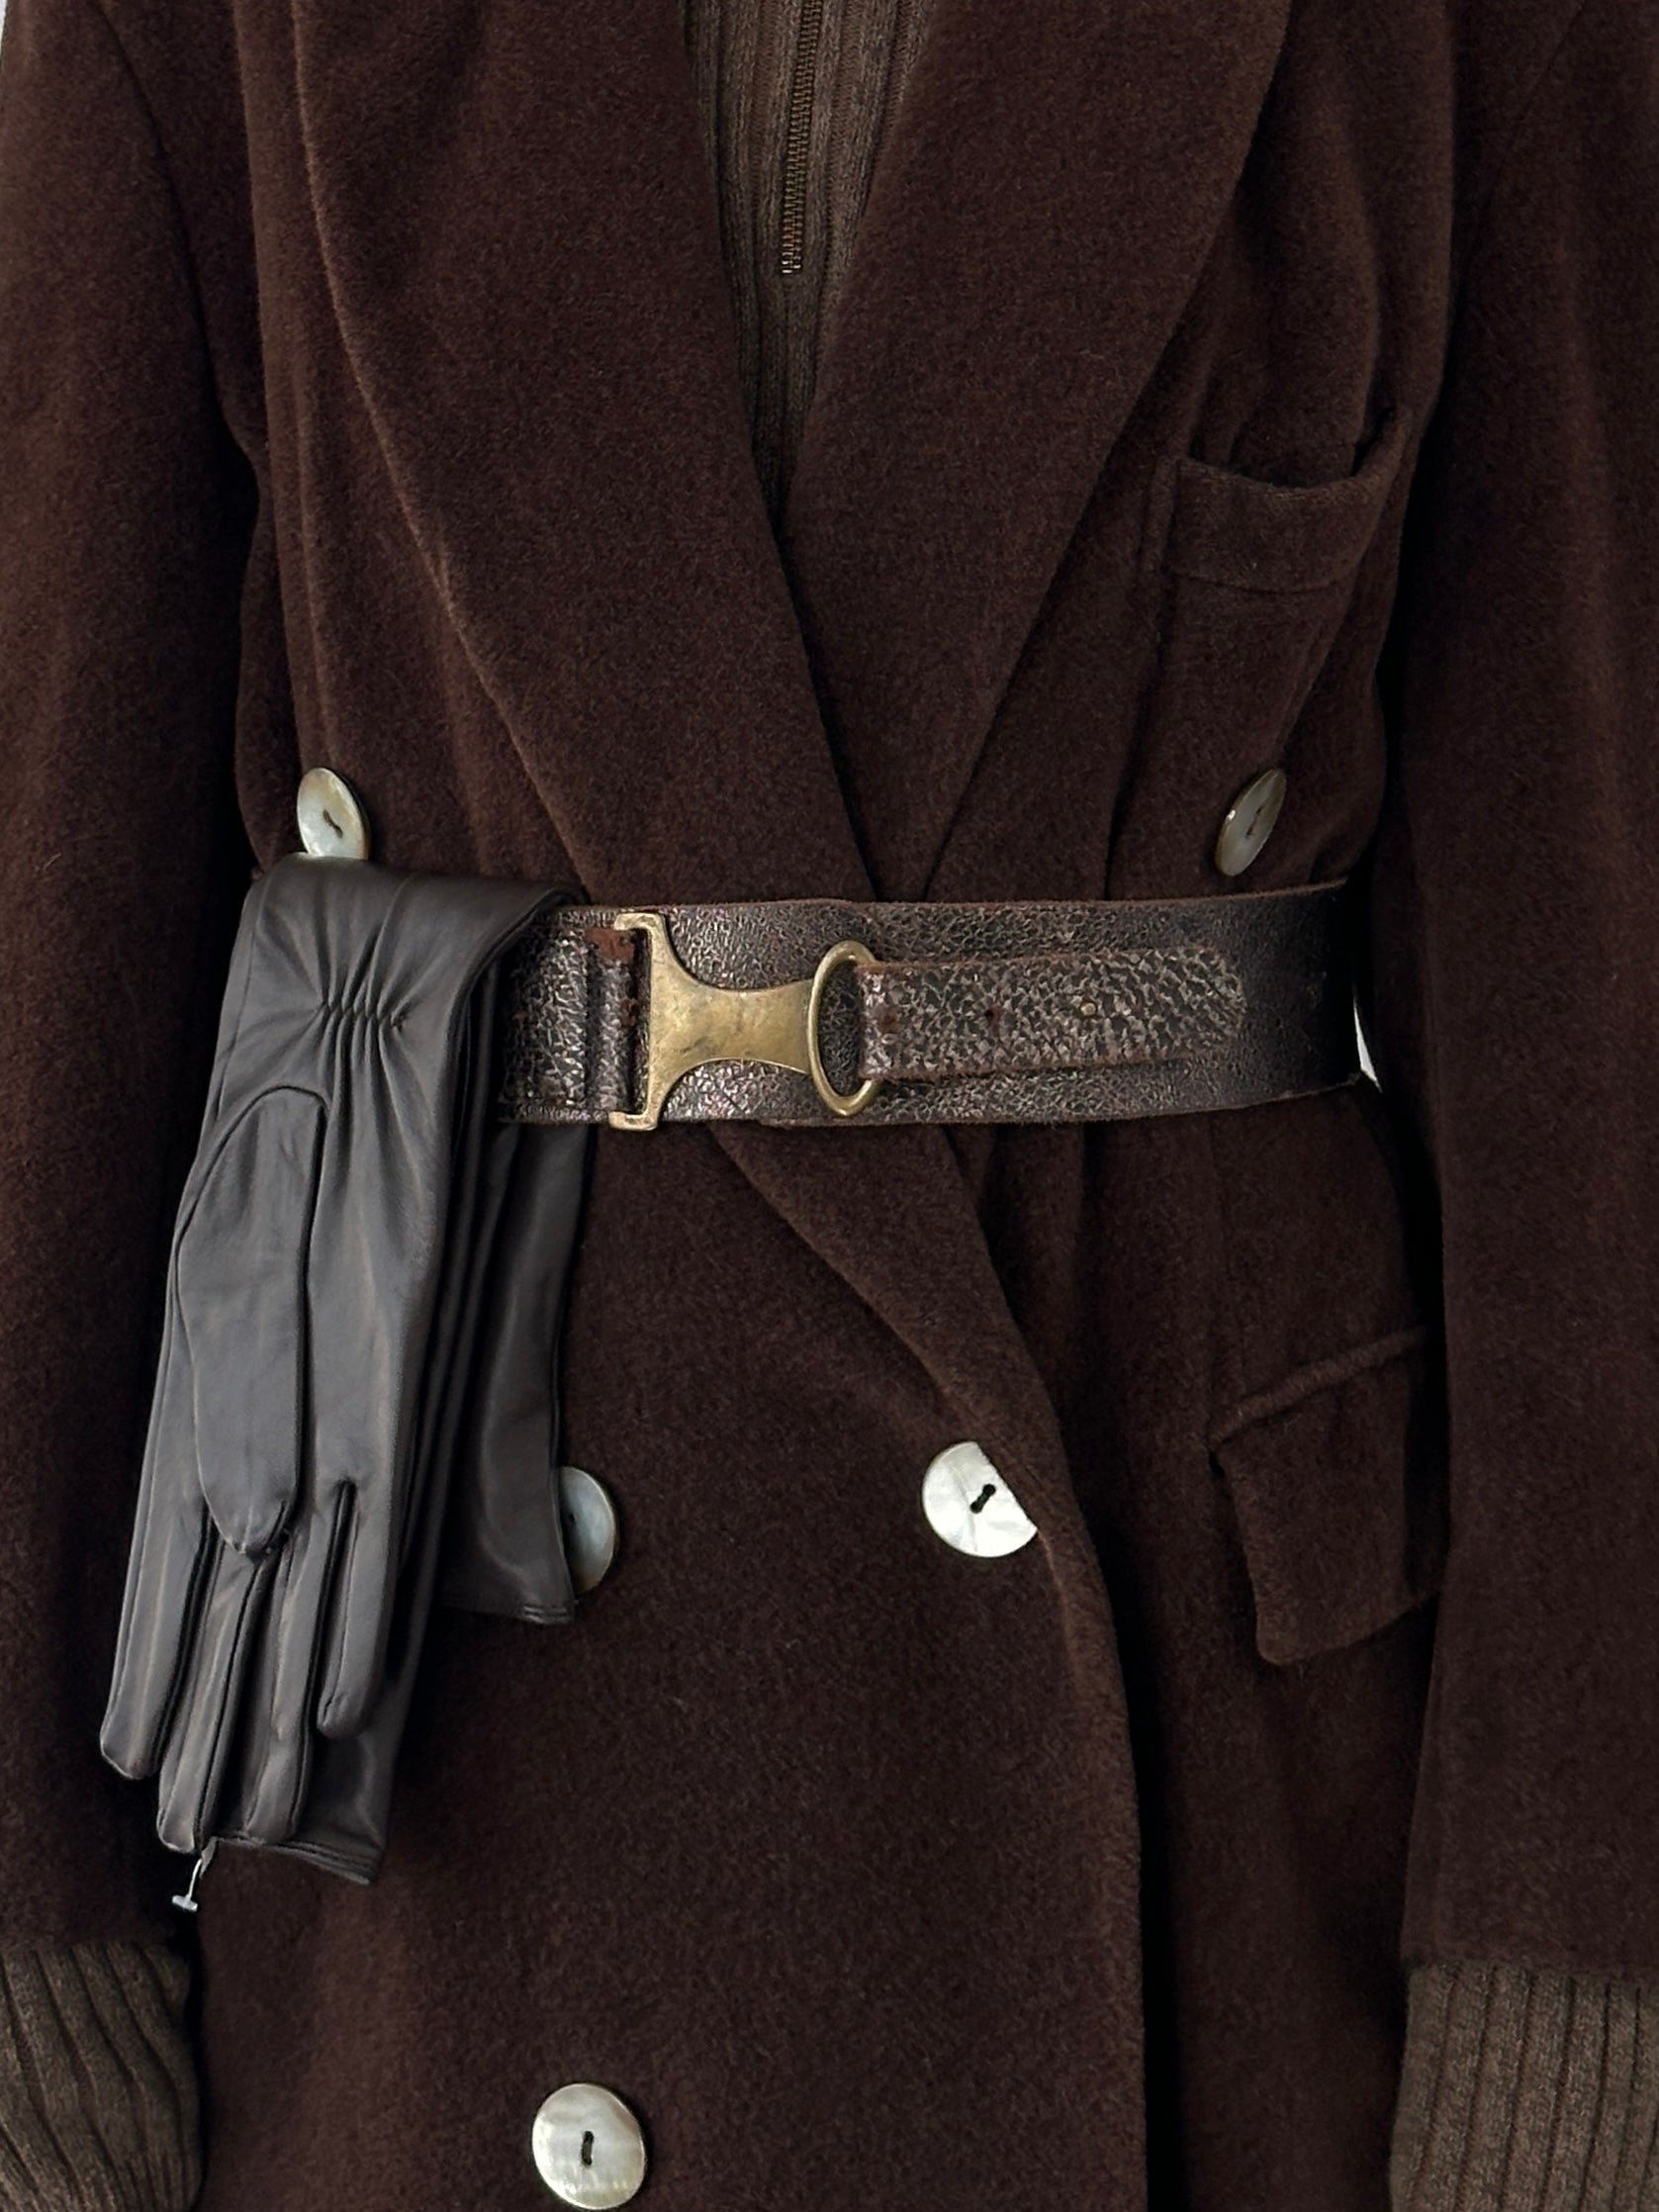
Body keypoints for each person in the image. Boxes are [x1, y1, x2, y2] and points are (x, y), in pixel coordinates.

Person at [1, 0, 1657, 2205]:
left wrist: (1574, 1959)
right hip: (461, 1763)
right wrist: (37, 1932)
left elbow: (1586, 1035)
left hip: (1230, 1812)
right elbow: (54, 975)